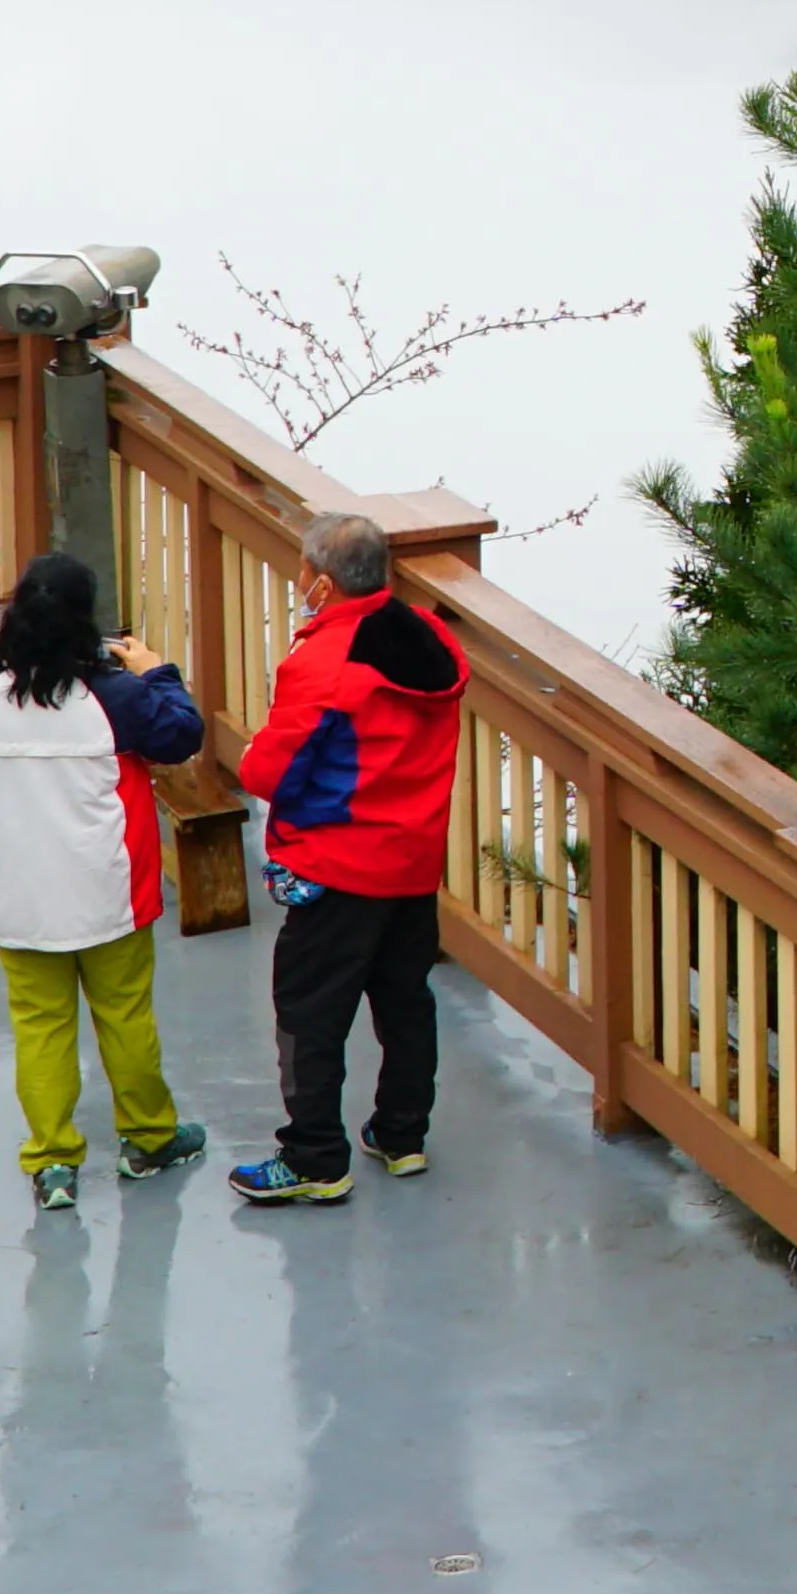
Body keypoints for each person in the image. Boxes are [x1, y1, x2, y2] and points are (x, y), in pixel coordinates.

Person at [0, 551, 210, 1211]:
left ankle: (53, 1160)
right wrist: (157, 672)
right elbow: (182, 735)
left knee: (40, 1026)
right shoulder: (115, 697)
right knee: (125, 1015)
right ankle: (148, 1138)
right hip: (105, 888)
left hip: (15, 894)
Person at [228, 508, 460, 1207]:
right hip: (411, 859)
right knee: (405, 999)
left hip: (340, 864)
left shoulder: (325, 663)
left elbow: (269, 770)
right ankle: (402, 1134)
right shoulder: (430, 638)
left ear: (323, 583)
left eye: (303, 571)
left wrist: (251, 753)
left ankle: (314, 1157)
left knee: (309, 1011)